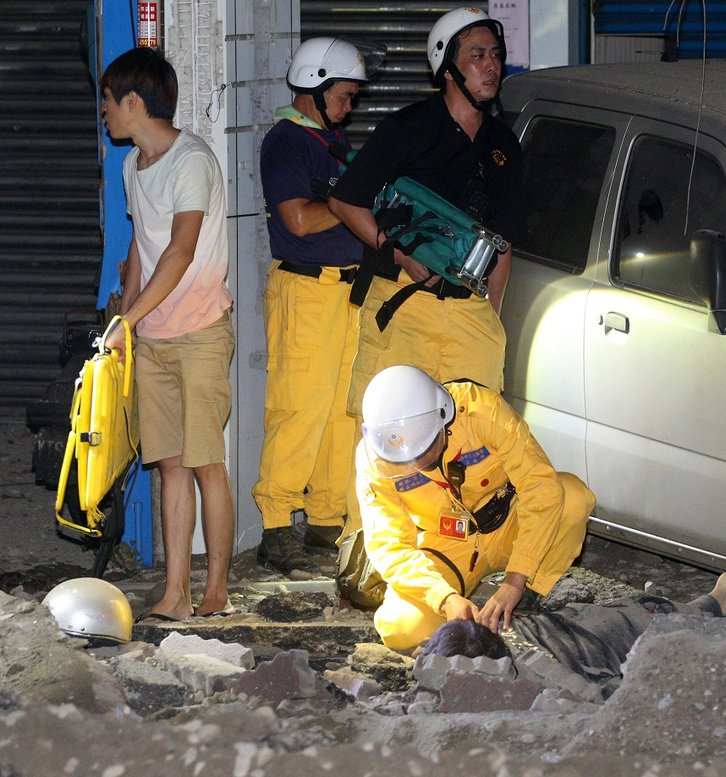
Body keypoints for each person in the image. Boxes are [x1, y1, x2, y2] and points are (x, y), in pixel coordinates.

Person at [328, 6, 524, 420]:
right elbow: (345, 200)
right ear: (448, 69)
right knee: (389, 440)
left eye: (495, 54)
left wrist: (491, 317)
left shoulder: (505, 144)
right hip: (405, 306)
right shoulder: (409, 127)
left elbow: (503, 244)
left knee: (473, 442)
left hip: (471, 314)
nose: (491, 65)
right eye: (477, 55)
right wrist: (400, 254)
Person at [101, 47, 235, 622]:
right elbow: (142, 247)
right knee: (171, 465)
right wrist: (126, 319)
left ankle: (217, 589)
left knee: (207, 464)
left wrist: (128, 319)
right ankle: (175, 593)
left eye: (107, 101)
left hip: (201, 330)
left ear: (133, 102)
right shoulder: (133, 166)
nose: (103, 113)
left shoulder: (192, 160)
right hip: (153, 337)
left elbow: (181, 250)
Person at [251, 38, 381, 575]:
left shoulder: (330, 140)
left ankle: (327, 518)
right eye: (345, 96)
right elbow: (298, 220)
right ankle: (276, 524)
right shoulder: (286, 143)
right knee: (298, 408)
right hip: (304, 291)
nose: (350, 106)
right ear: (317, 87)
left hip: (345, 290)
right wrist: (347, 200)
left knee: (342, 412)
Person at [355, 365, 595, 651]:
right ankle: (460, 621)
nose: (417, 464)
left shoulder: (482, 411)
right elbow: (389, 545)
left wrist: (516, 580)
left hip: (509, 523)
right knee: (399, 626)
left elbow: (540, 487)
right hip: (448, 543)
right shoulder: (375, 459)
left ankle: (528, 594)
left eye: (424, 450)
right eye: (406, 459)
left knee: (573, 497)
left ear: (444, 418)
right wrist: (444, 599)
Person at [420, 572, 726, 696]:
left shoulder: (541, 674)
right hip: (576, 622)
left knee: (676, 629)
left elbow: (609, 699)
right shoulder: (475, 640)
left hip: (613, 633)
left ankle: (723, 597)